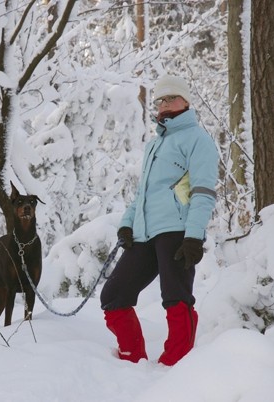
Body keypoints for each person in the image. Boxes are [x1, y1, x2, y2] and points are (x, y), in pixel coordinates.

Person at [100, 74, 218, 366]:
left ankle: (176, 364)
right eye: (160, 100)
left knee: (176, 296)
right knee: (114, 294)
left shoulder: (198, 140)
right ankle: (131, 358)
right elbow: (143, 192)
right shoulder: (156, 144)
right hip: (145, 232)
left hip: (177, 230)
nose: (164, 105)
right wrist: (128, 223)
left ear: (185, 101)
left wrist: (193, 236)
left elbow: (203, 192)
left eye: (170, 98)